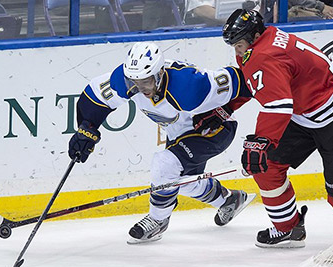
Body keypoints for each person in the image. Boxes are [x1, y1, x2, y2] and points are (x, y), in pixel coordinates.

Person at [68, 42, 256, 244]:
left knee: (164, 164)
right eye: (134, 82)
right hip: (179, 134)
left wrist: (224, 111)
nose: (140, 89)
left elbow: (247, 81)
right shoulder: (123, 81)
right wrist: (86, 127)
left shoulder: (190, 86)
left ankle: (158, 220)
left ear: (159, 74)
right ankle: (228, 199)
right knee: (176, 183)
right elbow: (94, 97)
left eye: (146, 82)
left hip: (214, 129)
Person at [221, 9, 333, 248]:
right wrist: (226, 108)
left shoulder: (263, 54)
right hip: (305, 114)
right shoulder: (259, 44)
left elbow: (279, 105)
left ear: (253, 36)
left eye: (238, 44)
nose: (236, 51)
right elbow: (259, 83)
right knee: (266, 166)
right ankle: (288, 228)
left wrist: (261, 141)